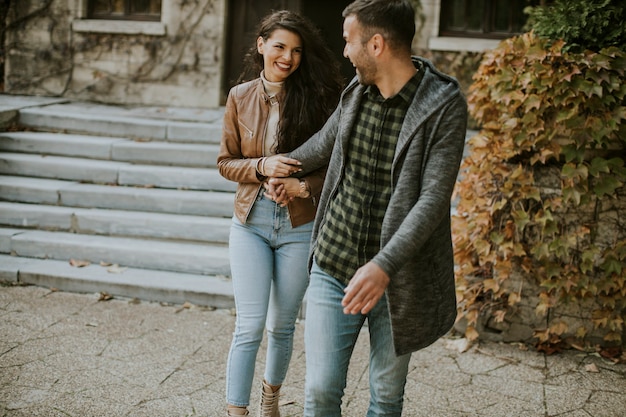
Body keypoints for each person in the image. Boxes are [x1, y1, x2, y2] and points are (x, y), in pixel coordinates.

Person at [264, 0, 468, 415]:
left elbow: (432, 198)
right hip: (333, 264)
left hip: (399, 278)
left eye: (348, 41)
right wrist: (279, 169)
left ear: (376, 44)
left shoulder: (443, 106)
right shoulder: (356, 93)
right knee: (320, 392)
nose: (344, 51)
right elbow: (321, 146)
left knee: (385, 396)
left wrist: (383, 266)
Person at [217, 9, 343, 417]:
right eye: (279, 47)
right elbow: (225, 162)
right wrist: (261, 167)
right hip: (250, 224)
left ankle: (270, 399)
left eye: (296, 51)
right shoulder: (239, 97)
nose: (288, 57)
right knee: (249, 326)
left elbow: (336, 164)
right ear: (261, 45)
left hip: (298, 227)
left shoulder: (320, 98)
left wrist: (302, 185)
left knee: (282, 325)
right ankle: (237, 412)